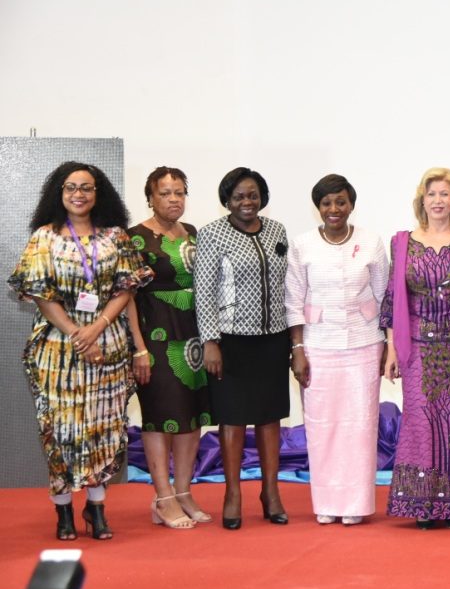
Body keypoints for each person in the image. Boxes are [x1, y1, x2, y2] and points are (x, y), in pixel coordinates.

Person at [8, 161, 152, 540]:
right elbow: (39, 294)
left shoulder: (116, 237)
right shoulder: (44, 237)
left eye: (86, 188)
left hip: (108, 348)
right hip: (58, 348)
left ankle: (96, 507)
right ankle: (63, 512)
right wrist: (77, 333)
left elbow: (127, 288)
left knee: (104, 429)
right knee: (61, 431)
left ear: (97, 193)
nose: (78, 194)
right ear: (59, 192)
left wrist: (98, 328)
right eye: (71, 187)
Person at [380, 167, 450, 529]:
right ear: (422, 200)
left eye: (445, 194)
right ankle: (423, 503)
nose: (438, 201)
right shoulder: (402, 243)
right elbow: (391, 300)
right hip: (416, 347)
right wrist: (392, 350)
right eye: (432, 194)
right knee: (420, 418)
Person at [285, 174, 389, 526]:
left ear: (351, 205)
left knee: (360, 425)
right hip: (318, 346)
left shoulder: (371, 242)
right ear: (318, 208)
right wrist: (297, 348)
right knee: (322, 425)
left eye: (340, 202)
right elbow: (294, 300)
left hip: (363, 344)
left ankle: (357, 504)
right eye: (327, 203)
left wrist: (387, 347)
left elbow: (383, 296)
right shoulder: (302, 246)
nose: (334, 209)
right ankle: (327, 502)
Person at [194, 167, 291, 530]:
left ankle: (271, 491)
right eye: (238, 197)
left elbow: (290, 283)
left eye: (252, 195)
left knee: (270, 417)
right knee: (232, 419)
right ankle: (232, 493)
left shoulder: (277, 231)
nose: (246, 202)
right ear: (226, 200)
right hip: (230, 340)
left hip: (273, 338)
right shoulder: (212, 234)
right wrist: (210, 342)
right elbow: (204, 292)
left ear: (261, 197)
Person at [125, 167, 212, 530]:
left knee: (191, 415)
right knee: (160, 415)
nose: (174, 199)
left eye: (179, 192)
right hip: (155, 334)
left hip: (192, 335)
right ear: (150, 197)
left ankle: (183, 491)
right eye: (165, 193)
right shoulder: (134, 238)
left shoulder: (192, 234)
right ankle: (162, 498)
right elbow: (126, 295)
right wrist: (139, 349)